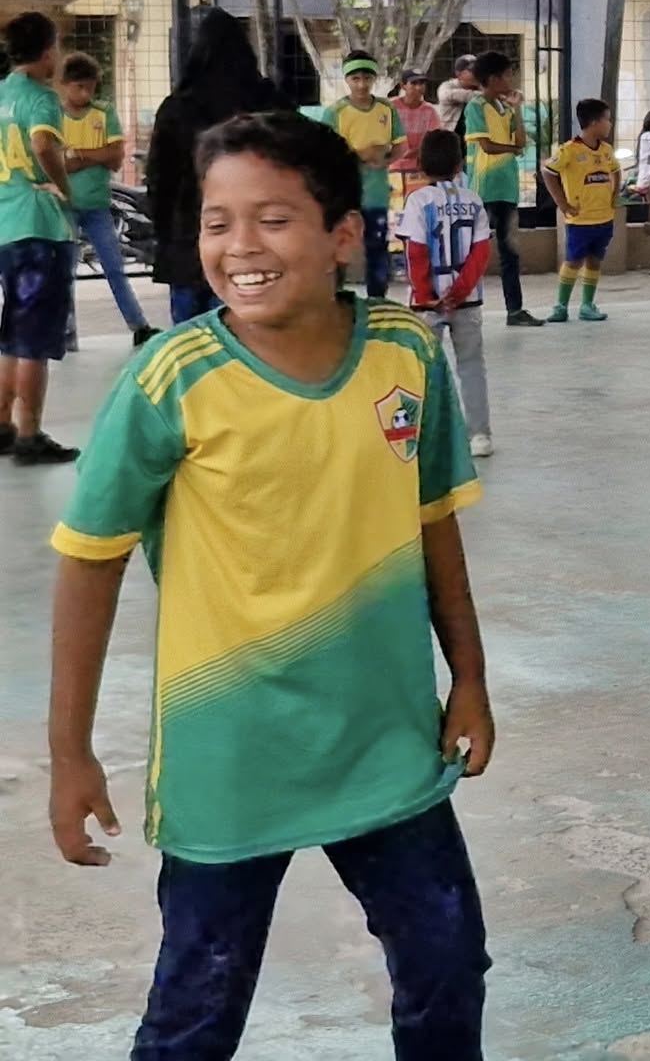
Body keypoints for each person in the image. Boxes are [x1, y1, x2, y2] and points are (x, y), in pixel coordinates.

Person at [47, 110, 494, 1059]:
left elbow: (434, 524)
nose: (240, 246)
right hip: (231, 760)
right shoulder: (173, 380)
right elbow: (91, 559)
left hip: (386, 742)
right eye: (218, 222)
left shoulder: (406, 353)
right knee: (197, 1012)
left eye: (274, 219)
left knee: (448, 966)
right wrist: (69, 751)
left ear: (343, 234)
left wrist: (470, 677)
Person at [146, 7, 284, 324]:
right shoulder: (268, 102)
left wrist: (163, 229)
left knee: (189, 333)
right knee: (243, 326)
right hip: (254, 232)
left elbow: (159, 177)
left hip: (188, 231)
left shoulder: (178, 107)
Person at [0, 11, 79, 465]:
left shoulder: (1, 93)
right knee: (34, 337)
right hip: (40, 228)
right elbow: (43, 144)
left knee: (13, 329)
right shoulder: (40, 98)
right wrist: (62, 187)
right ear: (49, 51)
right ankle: (29, 434)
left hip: (7, 226)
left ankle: (3, 425)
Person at [397, 129, 495, 458]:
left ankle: (425, 435)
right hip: (467, 300)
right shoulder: (473, 201)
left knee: (424, 367)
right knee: (472, 366)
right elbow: (481, 252)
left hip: (428, 304)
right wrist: (460, 290)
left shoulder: (418, 201)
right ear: (459, 164)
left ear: (421, 164)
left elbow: (415, 252)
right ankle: (479, 435)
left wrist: (426, 293)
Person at [58, 52, 156, 349]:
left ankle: (138, 325)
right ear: (65, 85)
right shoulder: (54, 116)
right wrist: (94, 156)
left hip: (98, 206)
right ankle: (67, 333)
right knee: (65, 273)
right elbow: (57, 163)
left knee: (114, 267)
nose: (86, 94)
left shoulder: (104, 113)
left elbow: (114, 158)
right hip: (64, 207)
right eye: (80, 87)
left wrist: (79, 155)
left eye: (90, 87)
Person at [464, 53, 542, 329]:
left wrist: (517, 110)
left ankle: (515, 309)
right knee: (473, 250)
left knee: (510, 252)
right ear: (493, 78)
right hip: (483, 189)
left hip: (507, 189)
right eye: (508, 74)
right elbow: (486, 145)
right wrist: (512, 149)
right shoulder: (476, 107)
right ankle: (465, 306)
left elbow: (521, 140)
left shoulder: (505, 108)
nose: (511, 79)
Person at [323, 51, 403, 300]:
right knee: (339, 247)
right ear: (347, 80)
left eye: (367, 78)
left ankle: (378, 302)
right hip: (345, 195)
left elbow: (400, 144)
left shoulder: (386, 109)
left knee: (377, 248)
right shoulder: (335, 112)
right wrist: (359, 155)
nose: (361, 84)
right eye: (355, 78)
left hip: (376, 194)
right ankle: (334, 298)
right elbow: (326, 153)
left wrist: (384, 160)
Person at [541, 98, 620, 323]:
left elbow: (616, 170)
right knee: (573, 261)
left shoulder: (606, 150)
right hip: (580, 220)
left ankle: (587, 305)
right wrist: (562, 203)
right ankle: (561, 306)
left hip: (604, 217)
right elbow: (548, 172)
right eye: (607, 119)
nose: (610, 124)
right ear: (594, 123)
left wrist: (614, 194)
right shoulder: (569, 150)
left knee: (595, 260)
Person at [392, 71, 439, 199]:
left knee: (419, 204)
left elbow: (434, 139)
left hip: (420, 170)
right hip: (393, 169)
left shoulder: (430, 110)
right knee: (395, 207)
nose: (418, 87)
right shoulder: (391, 107)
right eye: (413, 83)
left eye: (422, 83)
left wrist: (418, 150)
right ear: (403, 86)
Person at [437, 53, 481, 131]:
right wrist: (486, 94)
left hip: (475, 134)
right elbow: (447, 95)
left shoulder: (481, 87)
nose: (476, 74)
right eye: (472, 71)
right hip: (451, 134)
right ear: (458, 74)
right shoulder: (448, 85)